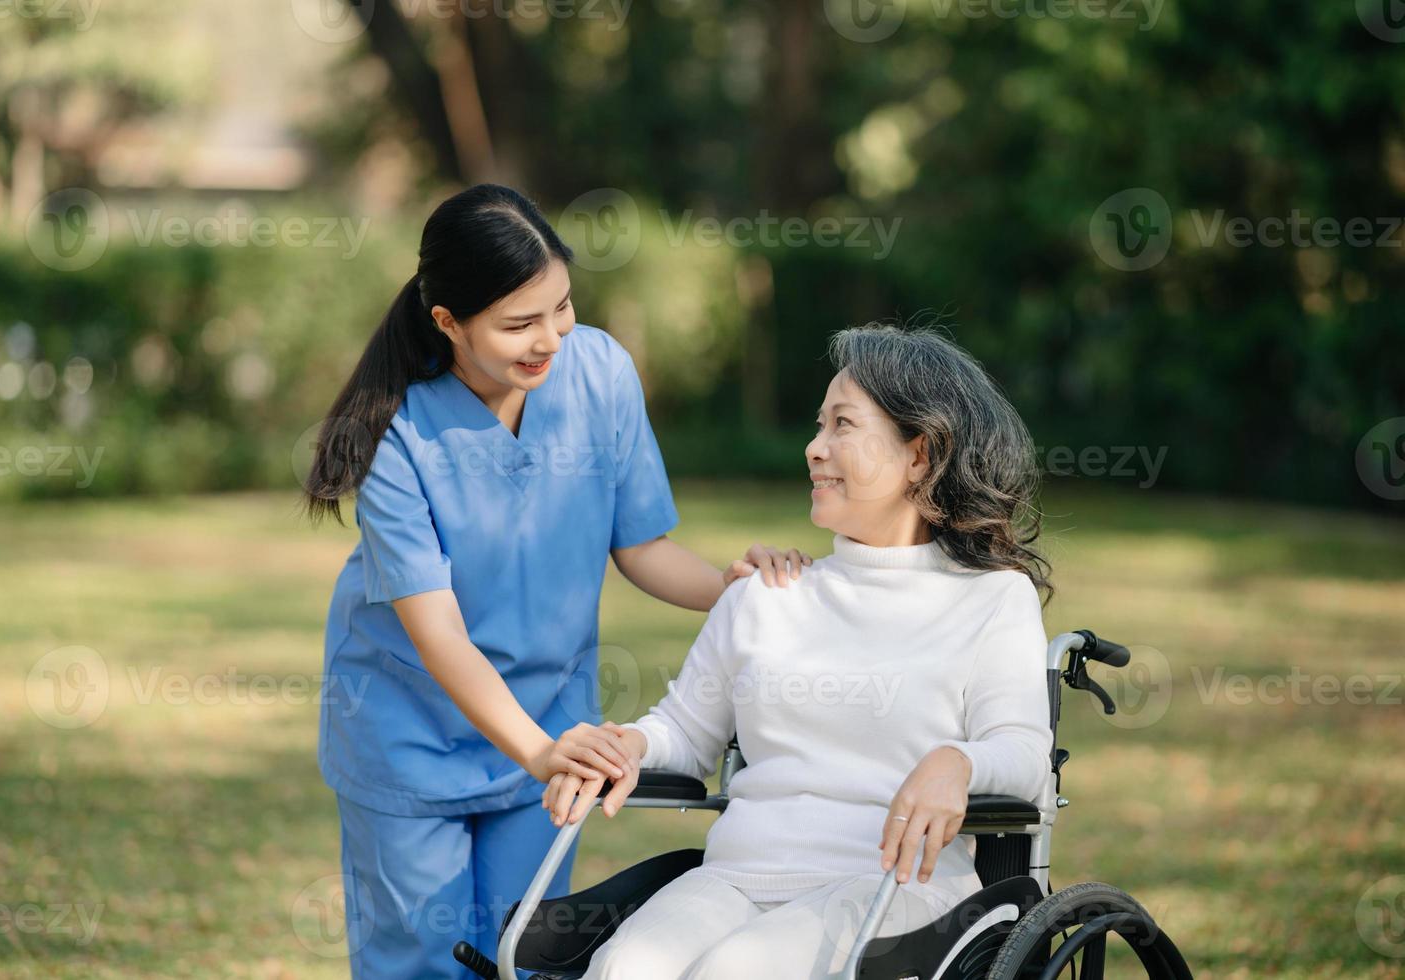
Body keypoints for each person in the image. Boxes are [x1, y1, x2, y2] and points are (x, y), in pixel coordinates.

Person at [302, 183, 810, 979]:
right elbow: (439, 636)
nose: (550, 339)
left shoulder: (600, 372)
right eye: (518, 325)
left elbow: (641, 546)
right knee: (423, 961)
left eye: (561, 308)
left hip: (550, 724)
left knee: (526, 952)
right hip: (411, 734)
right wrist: (541, 753)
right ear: (448, 323)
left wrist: (731, 585)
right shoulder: (397, 433)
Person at [542, 322, 1056, 979]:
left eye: (842, 425)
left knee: (732, 973)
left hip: (895, 889)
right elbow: (684, 731)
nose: (814, 449)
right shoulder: (764, 595)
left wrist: (958, 761)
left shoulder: (990, 600)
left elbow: (1021, 751)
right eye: (819, 426)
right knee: (624, 969)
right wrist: (631, 746)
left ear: (920, 455)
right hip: (736, 878)